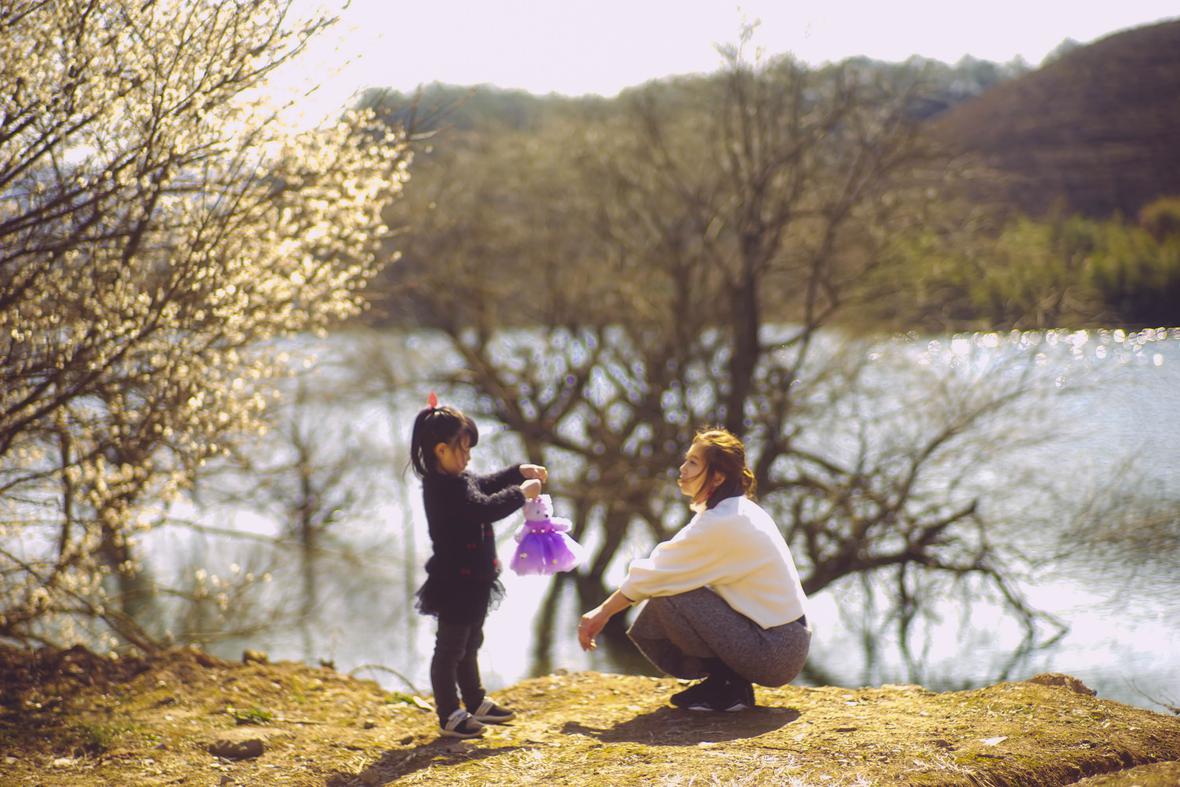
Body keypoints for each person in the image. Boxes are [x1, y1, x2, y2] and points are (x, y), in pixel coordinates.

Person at [577, 427, 811, 712]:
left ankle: (728, 687)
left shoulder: (723, 521)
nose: (682, 469)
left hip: (776, 649)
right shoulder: (737, 511)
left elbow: (656, 572)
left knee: (669, 594)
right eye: (686, 460)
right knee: (673, 585)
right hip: (783, 641)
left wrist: (602, 613)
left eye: (693, 463)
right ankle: (726, 684)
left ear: (718, 476)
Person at [410, 398, 548, 738]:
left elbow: (485, 484)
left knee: (471, 642)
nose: (469, 457)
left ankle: (475, 701)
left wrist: (518, 472)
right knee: (450, 650)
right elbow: (484, 508)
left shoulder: (460, 480)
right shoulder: (443, 488)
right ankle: (449, 713)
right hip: (455, 583)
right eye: (463, 450)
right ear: (441, 451)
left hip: (476, 580)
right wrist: (521, 494)